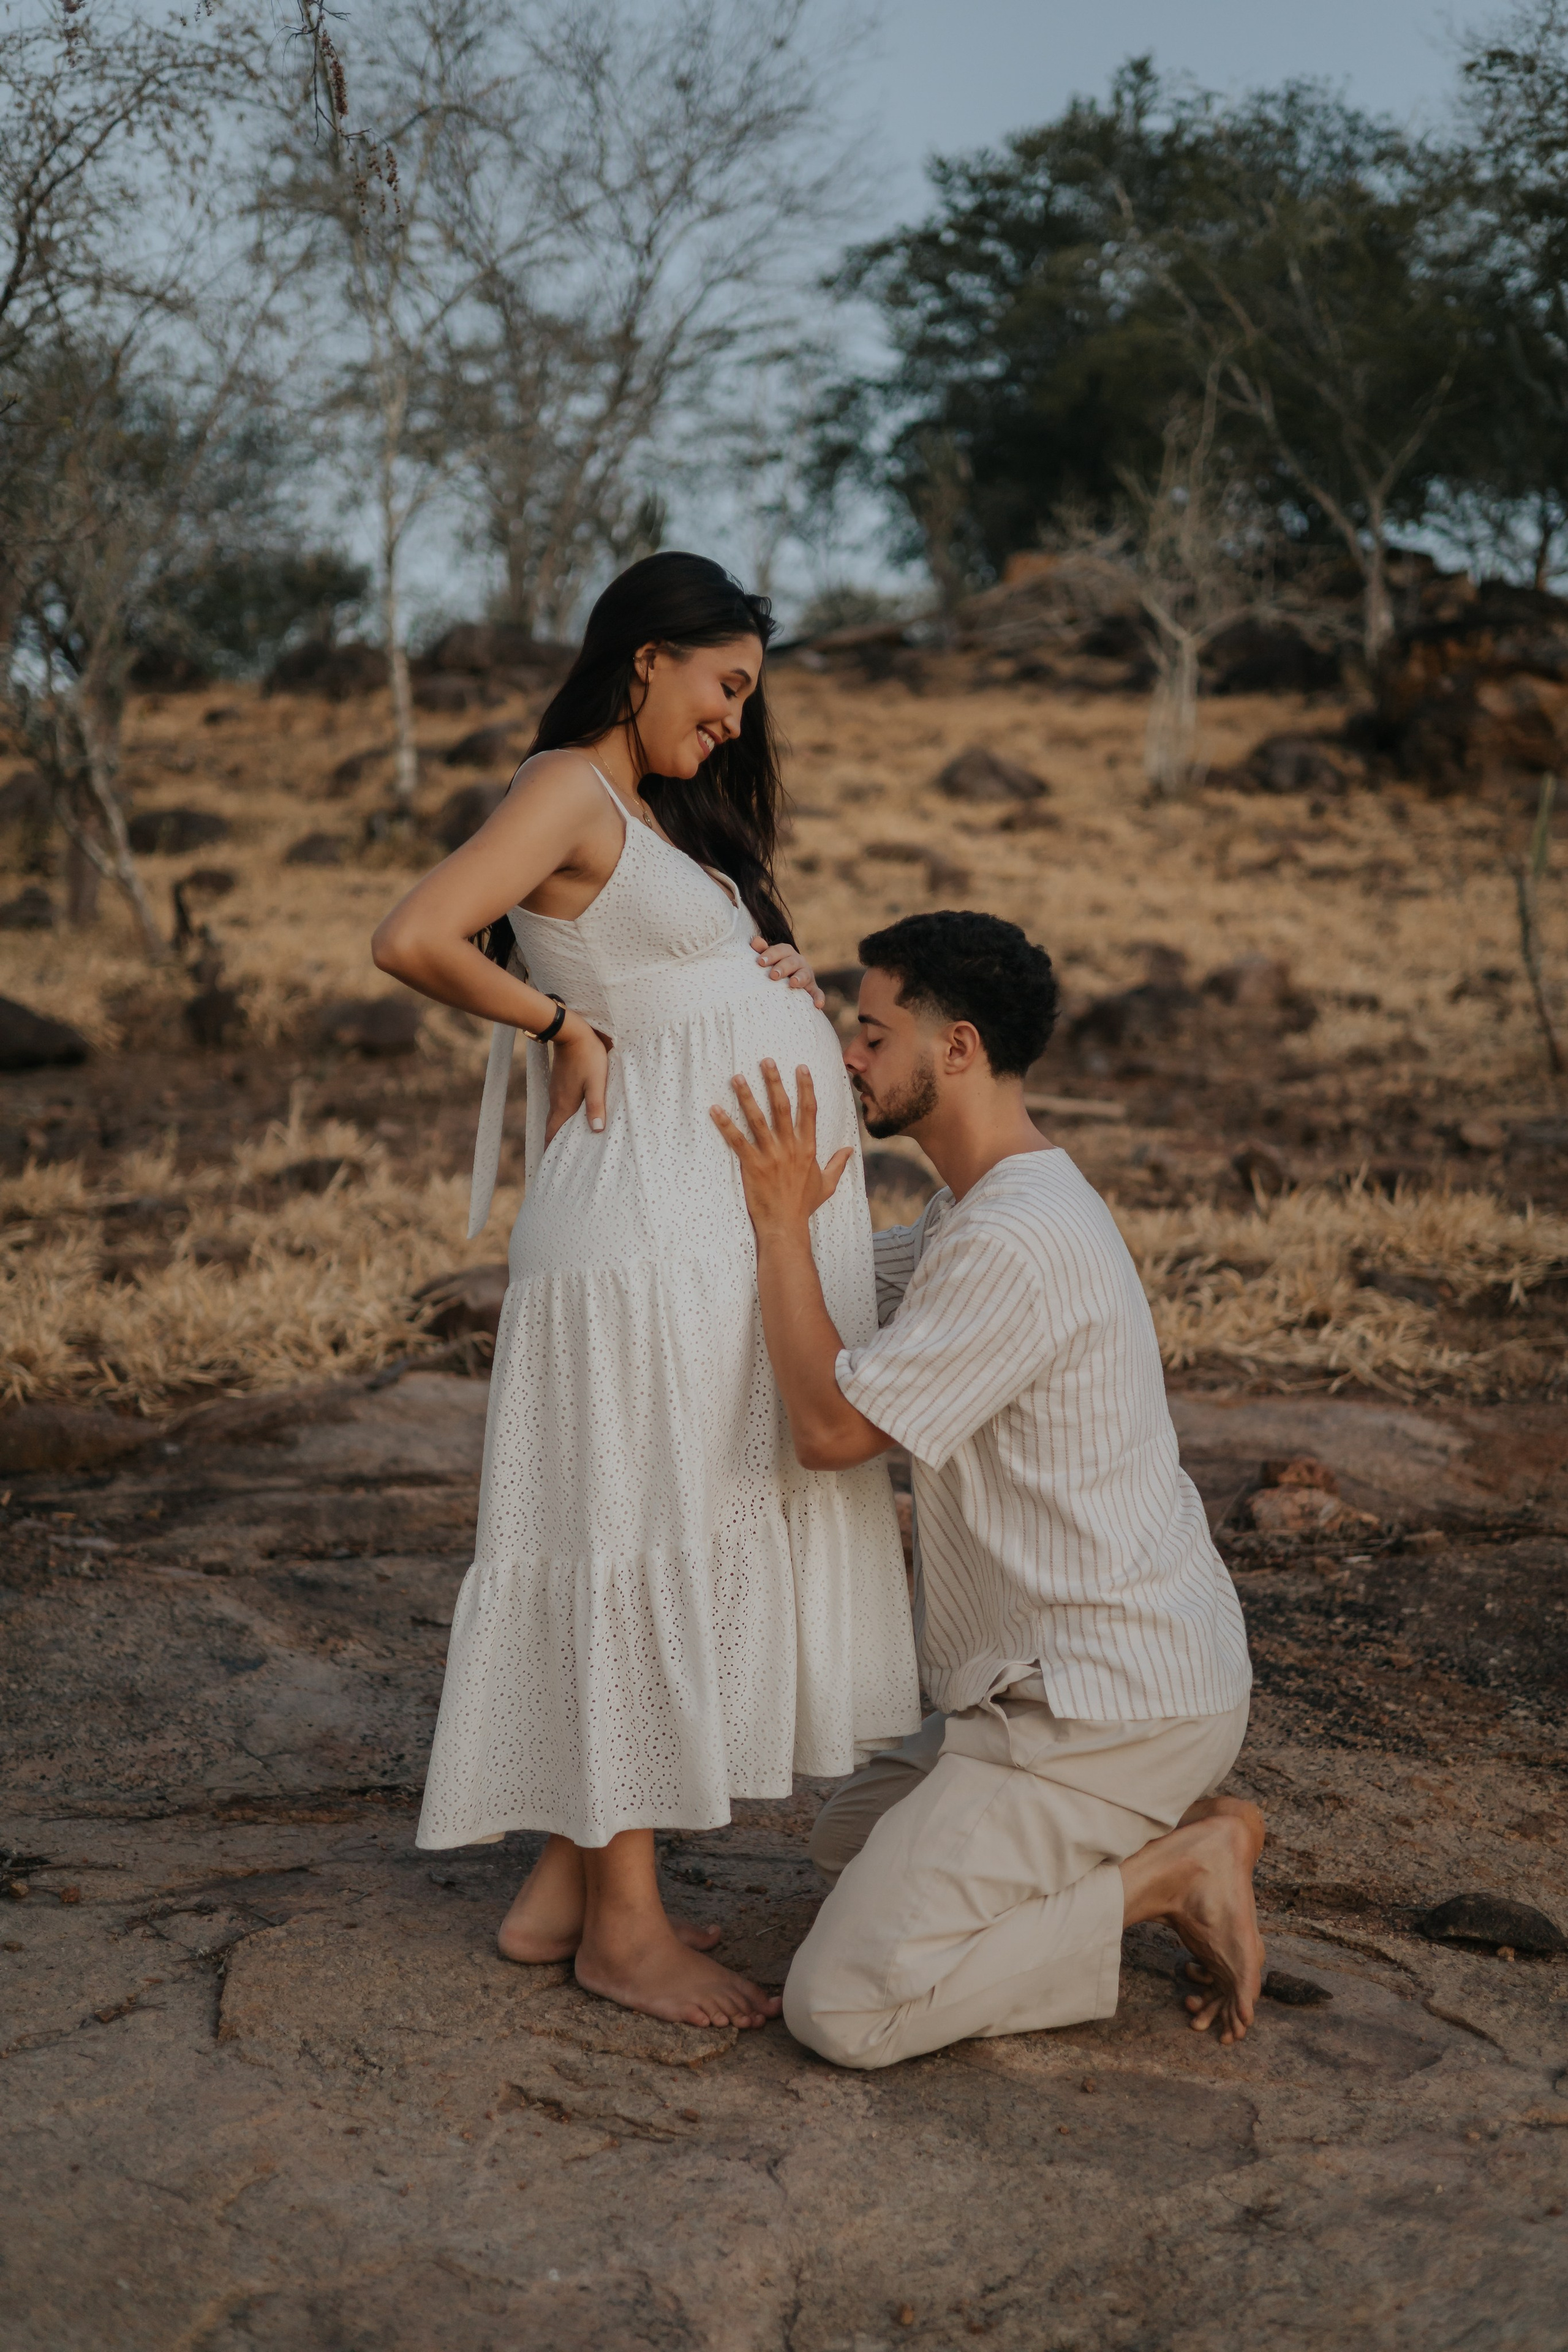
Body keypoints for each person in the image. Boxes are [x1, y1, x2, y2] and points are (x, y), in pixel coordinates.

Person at [372, 552, 919, 2031]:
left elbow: (652, 971)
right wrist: (565, 1022)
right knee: (637, 1527)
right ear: (645, 660)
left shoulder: (656, 824)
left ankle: (563, 1881)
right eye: (724, 683)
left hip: (709, 1227)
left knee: (661, 1516)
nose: (736, 718)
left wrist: (760, 984)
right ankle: (624, 1928)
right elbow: (413, 936)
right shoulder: (566, 786)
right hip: (644, 1232)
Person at [710, 910, 1262, 2068]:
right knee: (852, 1846)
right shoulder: (982, 1207)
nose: (850, 1057)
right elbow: (847, 1288)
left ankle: (1169, 1872)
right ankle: (1164, 1832)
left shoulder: (1014, 1242)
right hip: (1083, 1678)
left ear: (955, 1048)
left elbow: (830, 1427)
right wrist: (759, 1006)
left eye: (868, 1034)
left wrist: (774, 1222)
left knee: (846, 2008)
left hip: (1100, 1701)